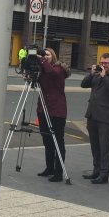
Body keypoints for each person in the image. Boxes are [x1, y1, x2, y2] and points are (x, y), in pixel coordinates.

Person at [81, 52, 109, 184]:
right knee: (95, 146)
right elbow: (83, 84)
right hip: (92, 115)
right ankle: (96, 171)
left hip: (106, 118)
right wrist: (91, 73)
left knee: (105, 147)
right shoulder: (96, 75)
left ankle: (104, 175)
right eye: (101, 63)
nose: (103, 65)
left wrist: (104, 77)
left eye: (106, 63)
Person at [35, 48, 70, 182]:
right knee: (47, 140)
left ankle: (58, 172)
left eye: (47, 55)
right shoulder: (42, 69)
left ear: (53, 56)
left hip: (57, 111)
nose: (45, 57)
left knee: (57, 141)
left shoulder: (59, 69)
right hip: (43, 109)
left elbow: (51, 73)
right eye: (43, 55)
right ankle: (49, 168)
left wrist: (41, 59)